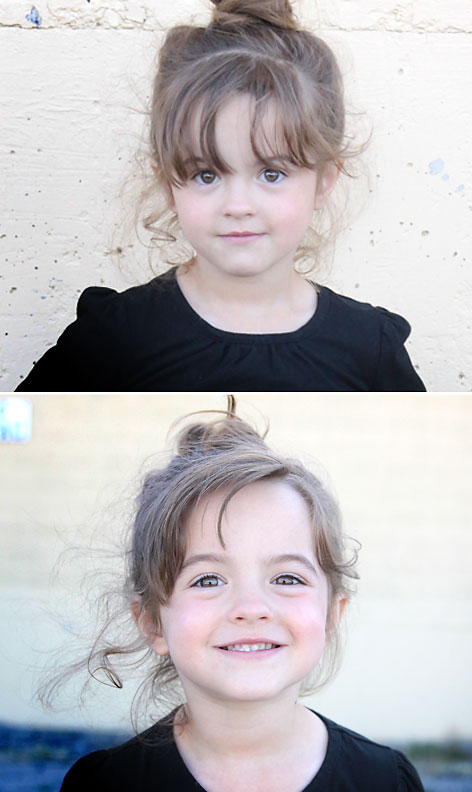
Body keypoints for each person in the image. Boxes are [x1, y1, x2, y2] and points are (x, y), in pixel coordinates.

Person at [16, 0, 425, 392]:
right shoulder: (115, 339)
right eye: (206, 174)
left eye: (271, 173)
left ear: (324, 181)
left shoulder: (369, 349)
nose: (237, 207)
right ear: (168, 184)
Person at [54, 405, 425, 790]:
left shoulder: (385, 781)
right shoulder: (105, 784)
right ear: (151, 622)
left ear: (332, 613)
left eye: (287, 578)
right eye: (208, 580)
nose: (251, 609)